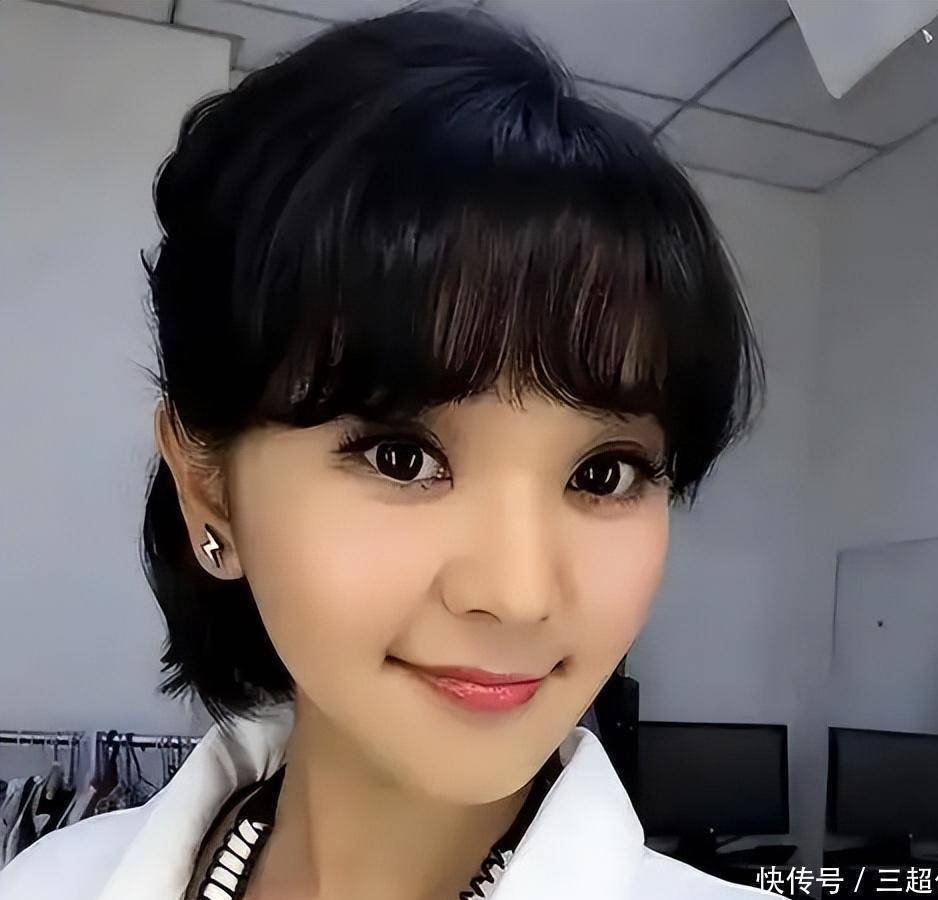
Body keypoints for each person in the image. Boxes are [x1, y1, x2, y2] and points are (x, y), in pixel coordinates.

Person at [0, 2, 770, 898]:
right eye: (402, 457)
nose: (517, 595)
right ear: (208, 486)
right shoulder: (48, 882)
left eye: (604, 473)